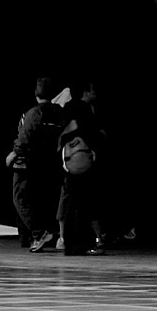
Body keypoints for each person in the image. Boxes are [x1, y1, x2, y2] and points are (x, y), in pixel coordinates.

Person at [6, 78, 65, 252]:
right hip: (50, 162)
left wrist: (13, 154)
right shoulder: (60, 113)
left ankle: (38, 232)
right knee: (47, 198)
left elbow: (25, 136)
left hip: (28, 162)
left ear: (36, 94)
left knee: (20, 198)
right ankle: (56, 233)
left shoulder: (34, 113)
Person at [59, 80, 105, 256]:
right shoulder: (85, 110)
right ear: (86, 92)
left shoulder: (66, 108)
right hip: (83, 159)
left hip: (68, 160)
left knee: (70, 202)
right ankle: (83, 244)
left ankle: (69, 243)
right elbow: (90, 132)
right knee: (84, 203)